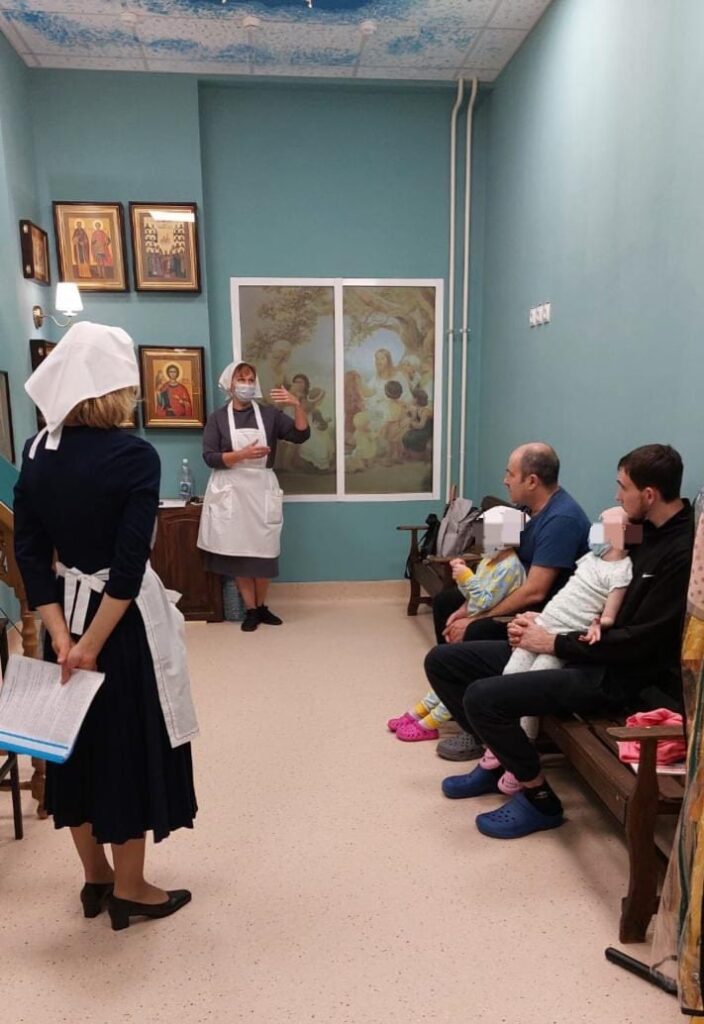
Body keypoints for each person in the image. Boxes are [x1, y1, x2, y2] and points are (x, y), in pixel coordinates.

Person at [13, 321, 198, 931]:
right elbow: (127, 563)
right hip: (117, 627)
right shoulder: (133, 455)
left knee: (73, 745)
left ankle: (94, 876)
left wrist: (61, 637)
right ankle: (131, 887)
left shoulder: (36, 451)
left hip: (63, 615)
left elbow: (30, 554)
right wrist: (91, 645)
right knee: (125, 745)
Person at [428, 444, 693, 840]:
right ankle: (503, 760)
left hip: (611, 673)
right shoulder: (637, 529)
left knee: (483, 698)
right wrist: (543, 619)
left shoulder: (682, 552)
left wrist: (553, 642)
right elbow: (588, 581)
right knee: (443, 662)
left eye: (623, 488)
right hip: (574, 641)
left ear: (650, 494)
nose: (616, 496)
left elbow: (638, 643)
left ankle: (540, 800)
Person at [435, 442, 590, 761]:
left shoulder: (561, 519)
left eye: (510, 474)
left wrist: (477, 617)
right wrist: (467, 605)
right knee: (446, 602)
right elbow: (499, 559)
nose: (505, 480)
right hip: (513, 593)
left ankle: (480, 730)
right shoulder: (528, 512)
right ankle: (460, 699)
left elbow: (535, 591)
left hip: (544, 616)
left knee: (475, 631)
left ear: (531, 481)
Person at [476, 505, 633, 795]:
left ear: (624, 532)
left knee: (528, 692)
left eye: (605, 524)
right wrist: (537, 616)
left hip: (563, 638)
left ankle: (521, 757)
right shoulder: (590, 558)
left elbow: (609, 614)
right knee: (509, 675)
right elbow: (567, 593)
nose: (597, 530)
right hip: (544, 622)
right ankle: (501, 748)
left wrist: (599, 624)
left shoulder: (622, 571)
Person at [387, 506, 526, 741]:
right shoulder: (489, 561)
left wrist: (465, 576)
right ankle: (419, 711)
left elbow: (484, 600)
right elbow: (471, 595)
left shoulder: (509, 568)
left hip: (492, 622)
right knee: (448, 673)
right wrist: (461, 597)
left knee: (460, 678)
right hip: (476, 615)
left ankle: (431, 722)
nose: (481, 542)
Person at [197, 360, 310, 632]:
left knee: (264, 552)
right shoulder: (217, 418)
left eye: (250, 380)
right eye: (241, 379)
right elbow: (210, 457)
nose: (246, 385)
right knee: (239, 553)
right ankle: (251, 610)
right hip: (232, 491)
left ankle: (262, 606)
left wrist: (297, 405)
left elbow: (300, 435)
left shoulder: (270, 416)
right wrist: (241, 455)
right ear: (230, 383)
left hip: (261, 490)